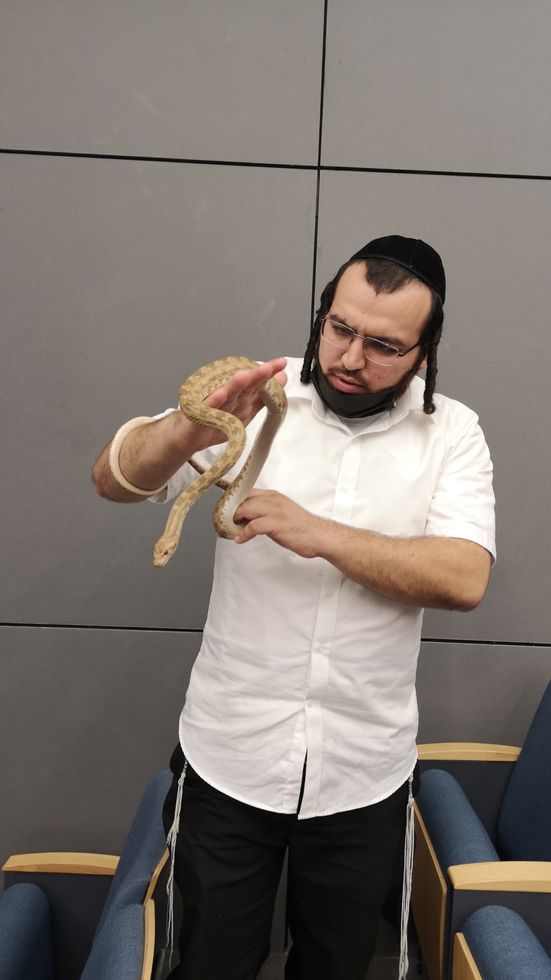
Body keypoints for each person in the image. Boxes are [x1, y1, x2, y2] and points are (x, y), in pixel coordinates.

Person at [92, 236, 495, 980]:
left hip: (363, 777)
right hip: (228, 760)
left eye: (383, 345)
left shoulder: (453, 433)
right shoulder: (257, 396)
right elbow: (113, 480)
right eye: (339, 328)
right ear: (323, 315)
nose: (350, 357)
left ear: (424, 354)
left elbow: (464, 578)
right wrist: (188, 428)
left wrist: (320, 534)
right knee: (208, 965)